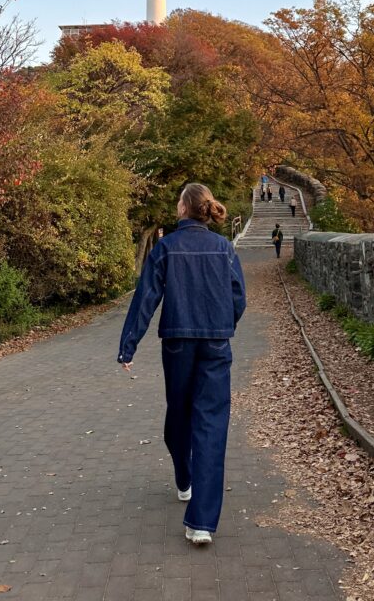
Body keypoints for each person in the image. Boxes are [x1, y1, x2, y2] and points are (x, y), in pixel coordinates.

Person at [117, 183, 247, 546]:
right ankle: (194, 502)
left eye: (178, 201)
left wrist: (128, 346)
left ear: (185, 208)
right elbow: (239, 298)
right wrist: (223, 325)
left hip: (177, 344)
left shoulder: (167, 247)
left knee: (183, 416)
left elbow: (145, 298)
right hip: (215, 343)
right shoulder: (223, 248)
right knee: (206, 424)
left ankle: (193, 502)